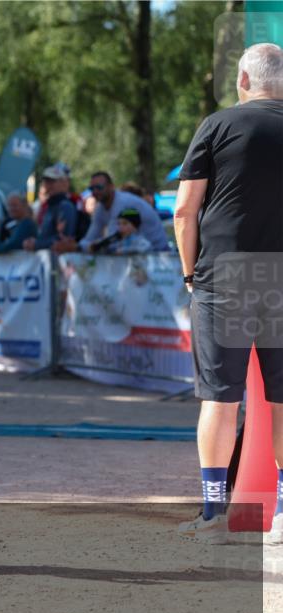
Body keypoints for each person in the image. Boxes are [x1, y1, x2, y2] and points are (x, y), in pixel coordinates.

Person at [173, 43, 283, 544]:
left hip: (225, 274)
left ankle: (214, 515)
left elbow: (184, 210)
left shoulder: (216, 126)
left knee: (219, 399)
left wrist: (190, 274)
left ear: (243, 79)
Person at [79, 172, 167, 252]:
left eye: (99, 187)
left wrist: (89, 246)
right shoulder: (101, 207)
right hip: (138, 256)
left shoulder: (122, 202)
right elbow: (90, 238)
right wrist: (80, 246)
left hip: (157, 254)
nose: (95, 191)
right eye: (91, 188)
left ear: (111, 186)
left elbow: (112, 241)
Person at [23, 164, 78, 252]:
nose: (48, 185)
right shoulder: (49, 206)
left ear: (64, 183)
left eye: (52, 181)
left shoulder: (65, 206)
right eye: (46, 181)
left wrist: (36, 244)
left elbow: (63, 238)